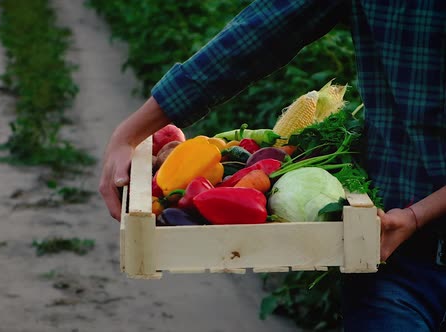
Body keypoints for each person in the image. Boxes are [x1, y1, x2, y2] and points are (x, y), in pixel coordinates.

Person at [98, 1, 446, 330]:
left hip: (396, 227)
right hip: (392, 248)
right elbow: (258, 34)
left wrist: (419, 215)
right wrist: (130, 133)